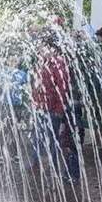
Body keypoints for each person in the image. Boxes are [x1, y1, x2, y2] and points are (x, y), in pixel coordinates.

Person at [31, 34, 70, 172]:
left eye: (42, 48)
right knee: (36, 135)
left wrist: (59, 110)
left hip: (52, 108)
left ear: (51, 48)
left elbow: (62, 88)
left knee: (52, 137)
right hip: (40, 106)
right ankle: (35, 162)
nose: (40, 50)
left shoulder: (59, 64)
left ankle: (53, 166)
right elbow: (36, 85)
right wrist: (34, 101)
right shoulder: (41, 62)